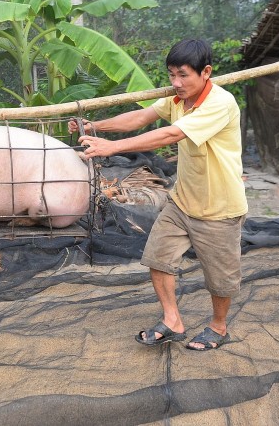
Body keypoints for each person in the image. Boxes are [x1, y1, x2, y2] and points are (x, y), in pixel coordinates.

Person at [69, 39, 247, 351]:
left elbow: (171, 133)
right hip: (182, 202)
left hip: (220, 208)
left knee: (220, 279)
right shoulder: (177, 100)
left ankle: (218, 327)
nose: (176, 83)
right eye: (171, 76)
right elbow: (140, 118)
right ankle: (172, 320)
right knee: (158, 258)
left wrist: (111, 148)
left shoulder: (220, 103)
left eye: (183, 75)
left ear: (206, 72)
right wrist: (96, 126)